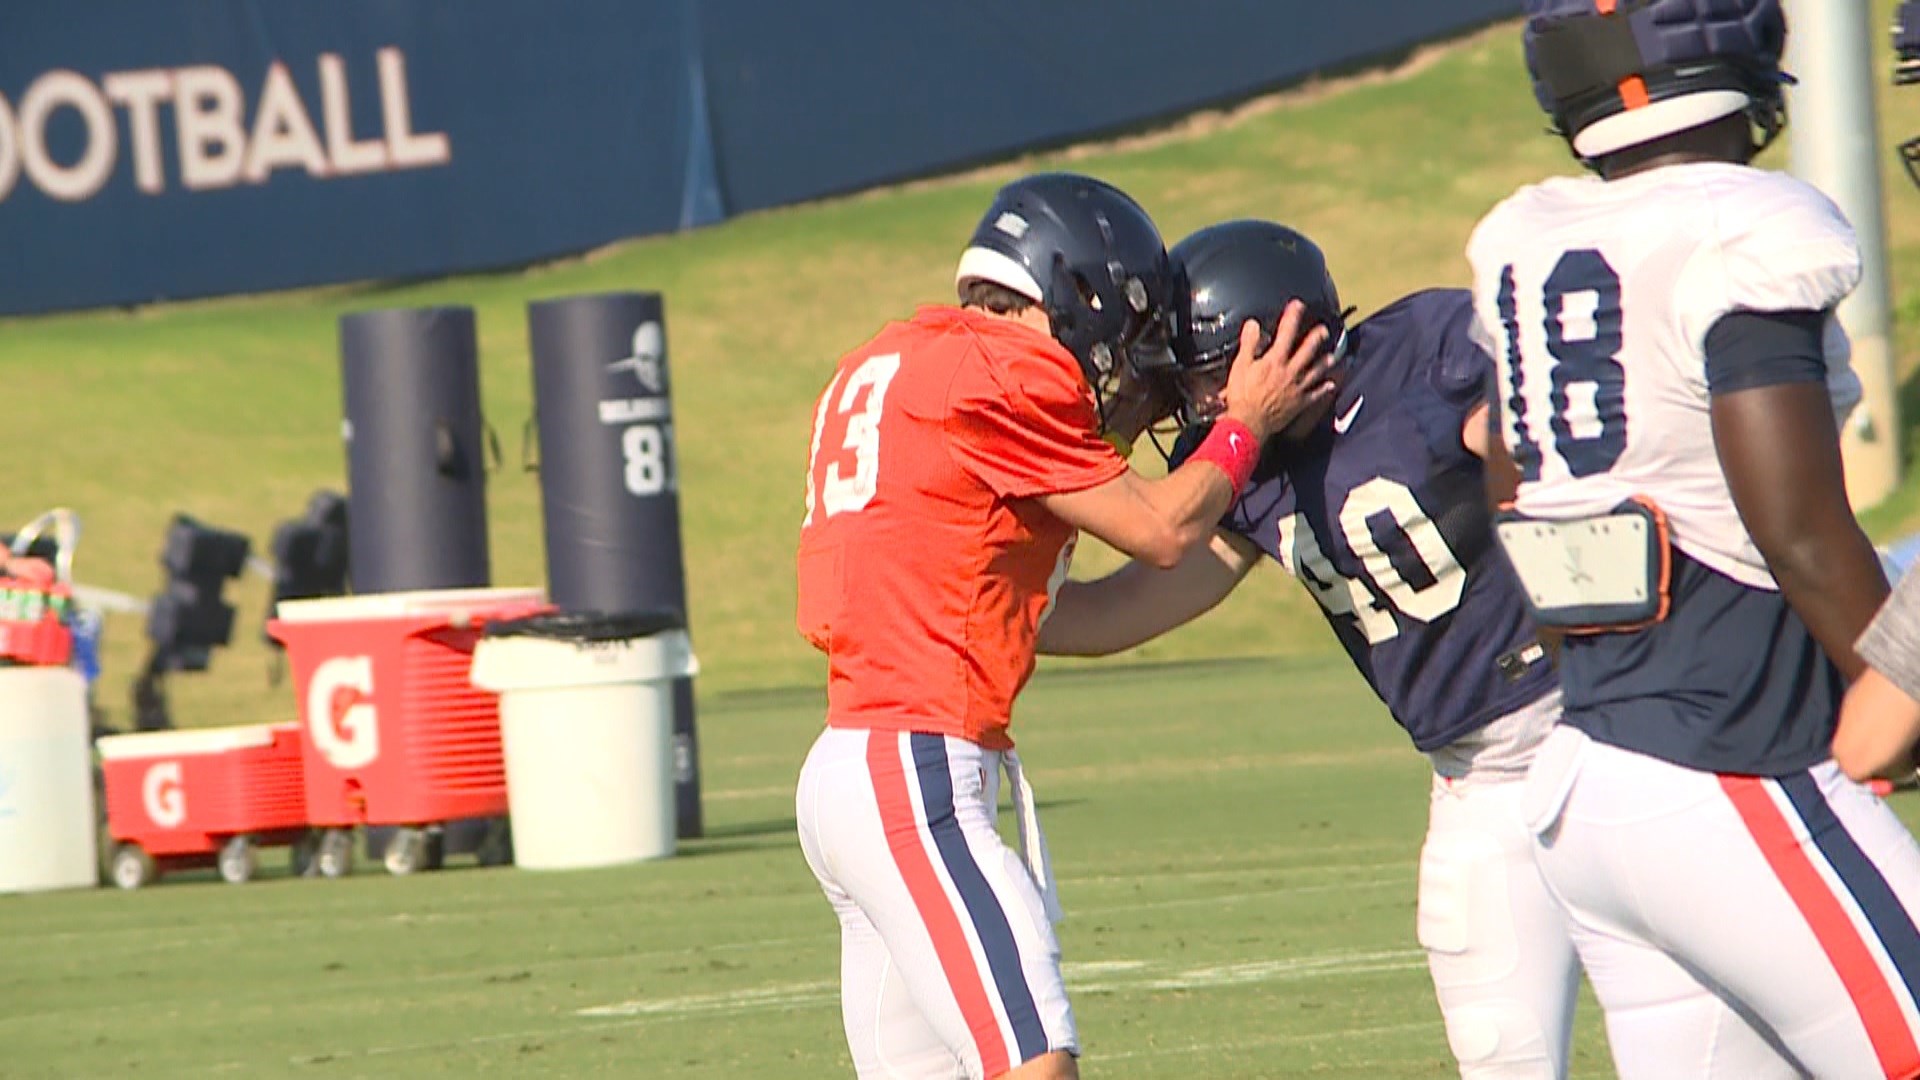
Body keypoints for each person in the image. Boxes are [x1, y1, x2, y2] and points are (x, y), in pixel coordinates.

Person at [792, 172, 1340, 1080]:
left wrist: (1241, 535)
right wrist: (1244, 424)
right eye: (1123, 333)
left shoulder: (897, 358)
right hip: (916, 770)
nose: (1123, 367)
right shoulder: (1002, 367)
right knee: (1036, 1063)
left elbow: (1069, 616)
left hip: (854, 769)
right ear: (1077, 296)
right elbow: (1162, 529)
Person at [1467, 2, 1920, 1075]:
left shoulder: (1527, 236)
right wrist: (1889, 684)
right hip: (1738, 767)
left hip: (1591, 771)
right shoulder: (1747, 221)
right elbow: (1797, 525)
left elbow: (1507, 473)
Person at [1037, 220, 1581, 1079]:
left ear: (1284, 339)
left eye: (1205, 379)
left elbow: (1565, 464)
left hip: (1598, 728)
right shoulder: (1239, 464)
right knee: (1500, 1055)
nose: (1196, 408)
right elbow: (1136, 602)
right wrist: (997, 616)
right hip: (1475, 777)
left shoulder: (1427, 351)